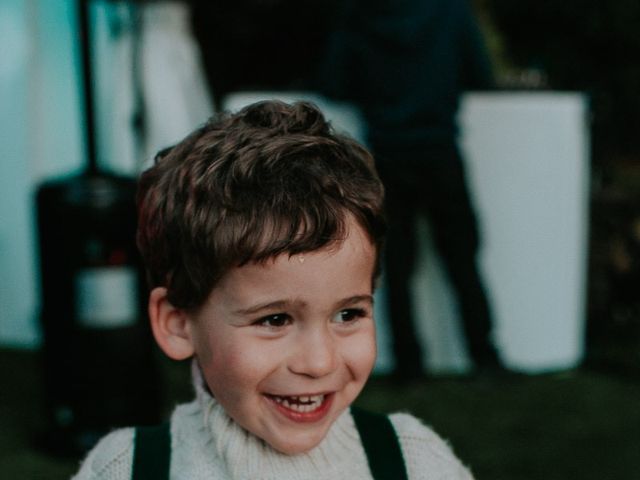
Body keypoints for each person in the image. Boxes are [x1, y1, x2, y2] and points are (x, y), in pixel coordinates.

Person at [71, 101, 474, 479]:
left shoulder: (413, 461)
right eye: (275, 319)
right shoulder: (127, 468)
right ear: (178, 323)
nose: (318, 363)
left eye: (348, 314)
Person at [319, 0, 503, 380]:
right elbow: (480, 74)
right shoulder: (451, 12)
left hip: (386, 153)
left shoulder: (358, 15)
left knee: (397, 265)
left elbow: (334, 83)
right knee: (462, 257)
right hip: (439, 148)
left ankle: (408, 362)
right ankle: (484, 356)